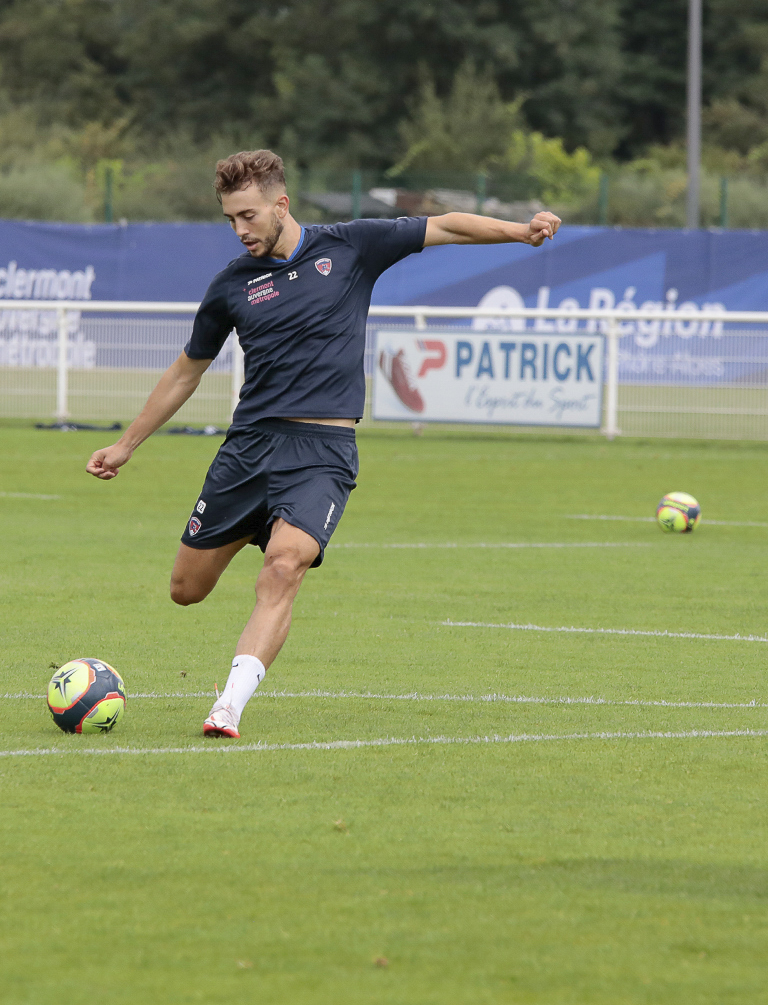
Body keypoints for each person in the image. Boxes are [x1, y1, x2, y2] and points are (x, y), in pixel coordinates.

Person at [86, 150, 559, 737]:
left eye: (249, 216)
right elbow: (187, 370)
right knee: (187, 590)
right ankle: (251, 530)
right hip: (248, 452)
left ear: (281, 204)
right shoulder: (231, 285)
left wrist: (519, 231)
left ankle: (227, 706)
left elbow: (446, 226)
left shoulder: (351, 245)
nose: (240, 230)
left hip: (322, 454)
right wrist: (128, 444)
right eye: (231, 219)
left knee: (284, 568)